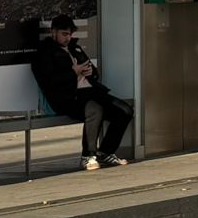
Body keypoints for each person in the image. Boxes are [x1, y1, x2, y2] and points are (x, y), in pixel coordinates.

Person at [32, 14, 133, 170]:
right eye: (64, 34)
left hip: (91, 91)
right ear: (53, 32)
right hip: (68, 97)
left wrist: (90, 72)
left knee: (125, 111)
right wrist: (73, 72)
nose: (68, 38)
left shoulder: (75, 47)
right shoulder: (45, 52)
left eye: (70, 34)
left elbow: (94, 73)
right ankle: (88, 155)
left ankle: (106, 152)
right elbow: (48, 80)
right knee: (95, 109)